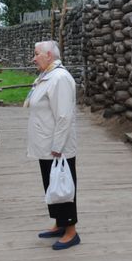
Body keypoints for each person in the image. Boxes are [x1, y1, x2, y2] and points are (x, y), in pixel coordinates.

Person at [25, 40, 80, 250]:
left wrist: (57, 146)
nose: (33, 58)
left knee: (63, 186)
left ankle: (71, 231)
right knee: (51, 184)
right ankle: (59, 223)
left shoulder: (60, 78)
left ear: (49, 55)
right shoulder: (47, 75)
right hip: (46, 144)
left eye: (36, 54)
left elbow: (64, 116)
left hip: (57, 147)